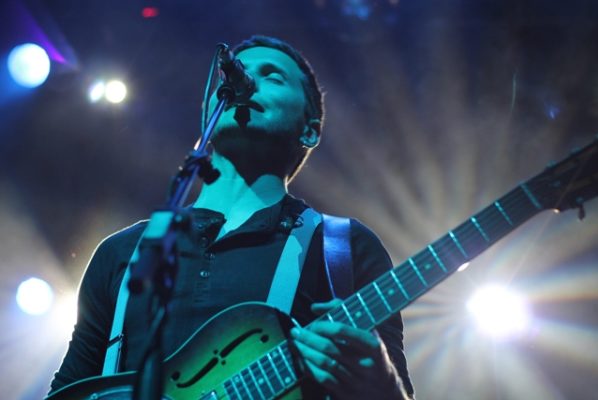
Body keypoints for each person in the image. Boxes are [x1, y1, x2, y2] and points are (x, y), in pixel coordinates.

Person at [49, 35, 415, 399]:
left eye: (273, 76)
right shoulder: (124, 251)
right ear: (209, 111)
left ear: (310, 129)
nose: (247, 79)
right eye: (237, 73)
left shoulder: (343, 246)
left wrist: (382, 384)